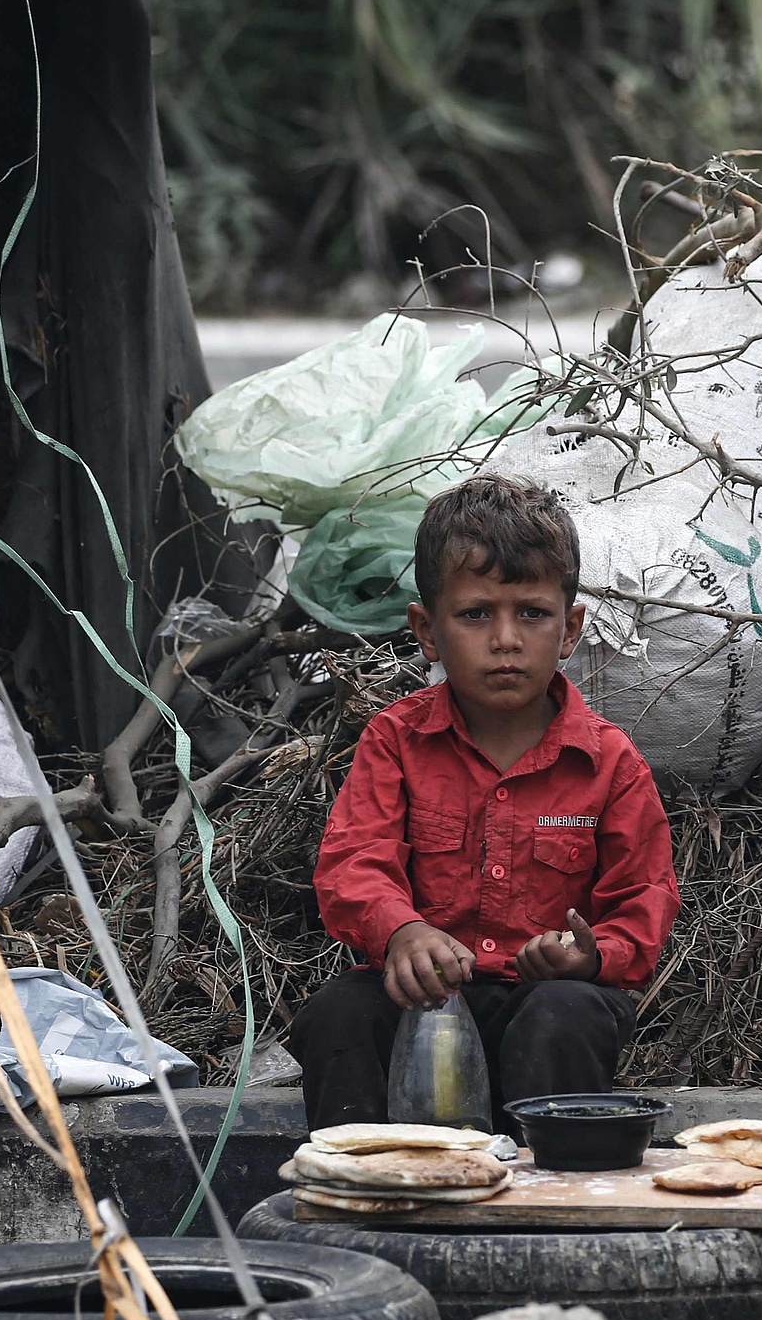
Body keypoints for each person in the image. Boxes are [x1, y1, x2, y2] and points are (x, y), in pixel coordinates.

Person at [291, 474, 680, 1131]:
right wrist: (401, 931)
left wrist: (589, 956)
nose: (505, 638)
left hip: (547, 1008)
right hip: (423, 1001)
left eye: (531, 612)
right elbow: (353, 864)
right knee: (339, 1013)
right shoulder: (396, 741)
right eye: (475, 614)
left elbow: (646, 902)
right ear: (428, 630)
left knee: (565, 1012)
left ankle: (544, 1211)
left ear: (569, 628)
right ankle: (359, 1195)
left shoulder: (610, 763)